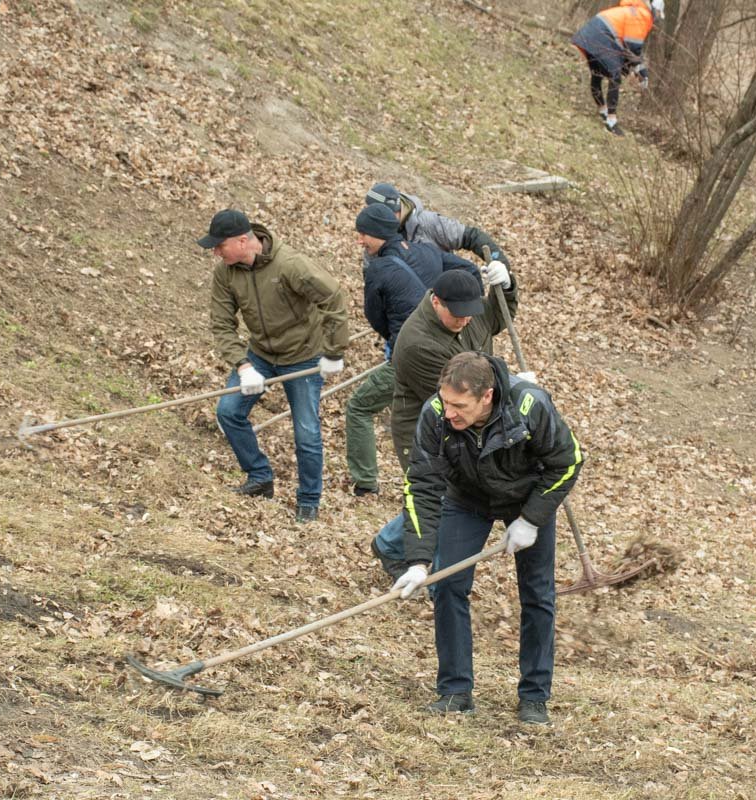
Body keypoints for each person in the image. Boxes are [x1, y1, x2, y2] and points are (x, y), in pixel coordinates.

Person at [392, 352, 584, 725]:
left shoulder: (531, 405)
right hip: (467, 499)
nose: (449, 413)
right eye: (446, 401)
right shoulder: (435, 413)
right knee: (446, 584)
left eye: (459, 405)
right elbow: (422, 484)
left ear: (487, 397)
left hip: (527, 498)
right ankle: (455, 691)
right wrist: (418, 560)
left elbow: (569, 461)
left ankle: (534, 697)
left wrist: (531, 519)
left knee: (538, 594)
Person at [368, 265, 520, 580]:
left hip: (463, 419)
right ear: (437, 302)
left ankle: (390, 543)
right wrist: (513, 386)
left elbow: (496, 317)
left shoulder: (465, 310)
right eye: (458, 315)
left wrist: (506, 288)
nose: (465, 320)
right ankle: (426, 567)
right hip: (424, 426)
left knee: (446, 494)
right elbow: (456, 398)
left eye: (469, 313)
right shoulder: (416, 343)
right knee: (441, 494)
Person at [200, 209, 349, 523]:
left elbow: (333, 298)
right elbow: (222, 324)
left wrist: (333, 352)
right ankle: (259, 476)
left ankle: (308, 501)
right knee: (229, 411)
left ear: (243, 241)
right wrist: (243, 365)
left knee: (306, 432)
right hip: (260, 356)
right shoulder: (225, 273)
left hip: (303, 355)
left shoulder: (291, 265)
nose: (215, 252)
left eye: (219, 245)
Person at [346, 204, 481, 497]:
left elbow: (374, 317)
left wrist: (398, 338)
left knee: (358, 407)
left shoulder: (378, 270)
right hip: (449, 348)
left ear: (381, 234)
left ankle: (366, 483)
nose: (360, 240)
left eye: (364, 234)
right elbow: (468, 269)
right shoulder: (426, 250)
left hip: (409, 357)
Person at [364, 182, 511, 267]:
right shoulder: (375, 236)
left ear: (399, 208)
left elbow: (472, 236)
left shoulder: (428, 223)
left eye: (391, 214)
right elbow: (371, 275)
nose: (388, 221)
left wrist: (499, 264)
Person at [571, 0, 662, 136]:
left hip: (591, 32)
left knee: (597, 73)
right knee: (615, 77)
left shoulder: (635, 10)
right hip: (600, 36)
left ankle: (603, 111)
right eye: (659, 14)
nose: (658, 19)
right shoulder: (642, 16)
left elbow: (626, 46)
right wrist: (642, 72)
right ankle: (611, 121)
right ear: (655, 11)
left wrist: (636, 68)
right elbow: (633, 48)